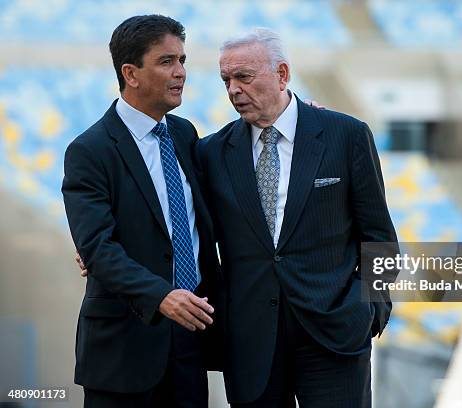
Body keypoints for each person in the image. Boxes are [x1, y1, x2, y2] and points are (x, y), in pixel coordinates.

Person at [195, 28, 398, 407]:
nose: (233, 90)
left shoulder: (346, 135)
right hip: (252, 344)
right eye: (226, 80)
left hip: (335, 334)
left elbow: (380, 238)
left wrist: (372, 311)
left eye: (244, 77)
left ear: (282, 74)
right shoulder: (210, 153)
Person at [62, 15, 222, 407]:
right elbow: (98, 247)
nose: (181, 72)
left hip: (189, 344)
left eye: (182, 60)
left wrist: (302, 117)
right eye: (167, 61)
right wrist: (161, 295)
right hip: (123, 350)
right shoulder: (90, 150)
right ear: (130, 74)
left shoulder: (185, 134)